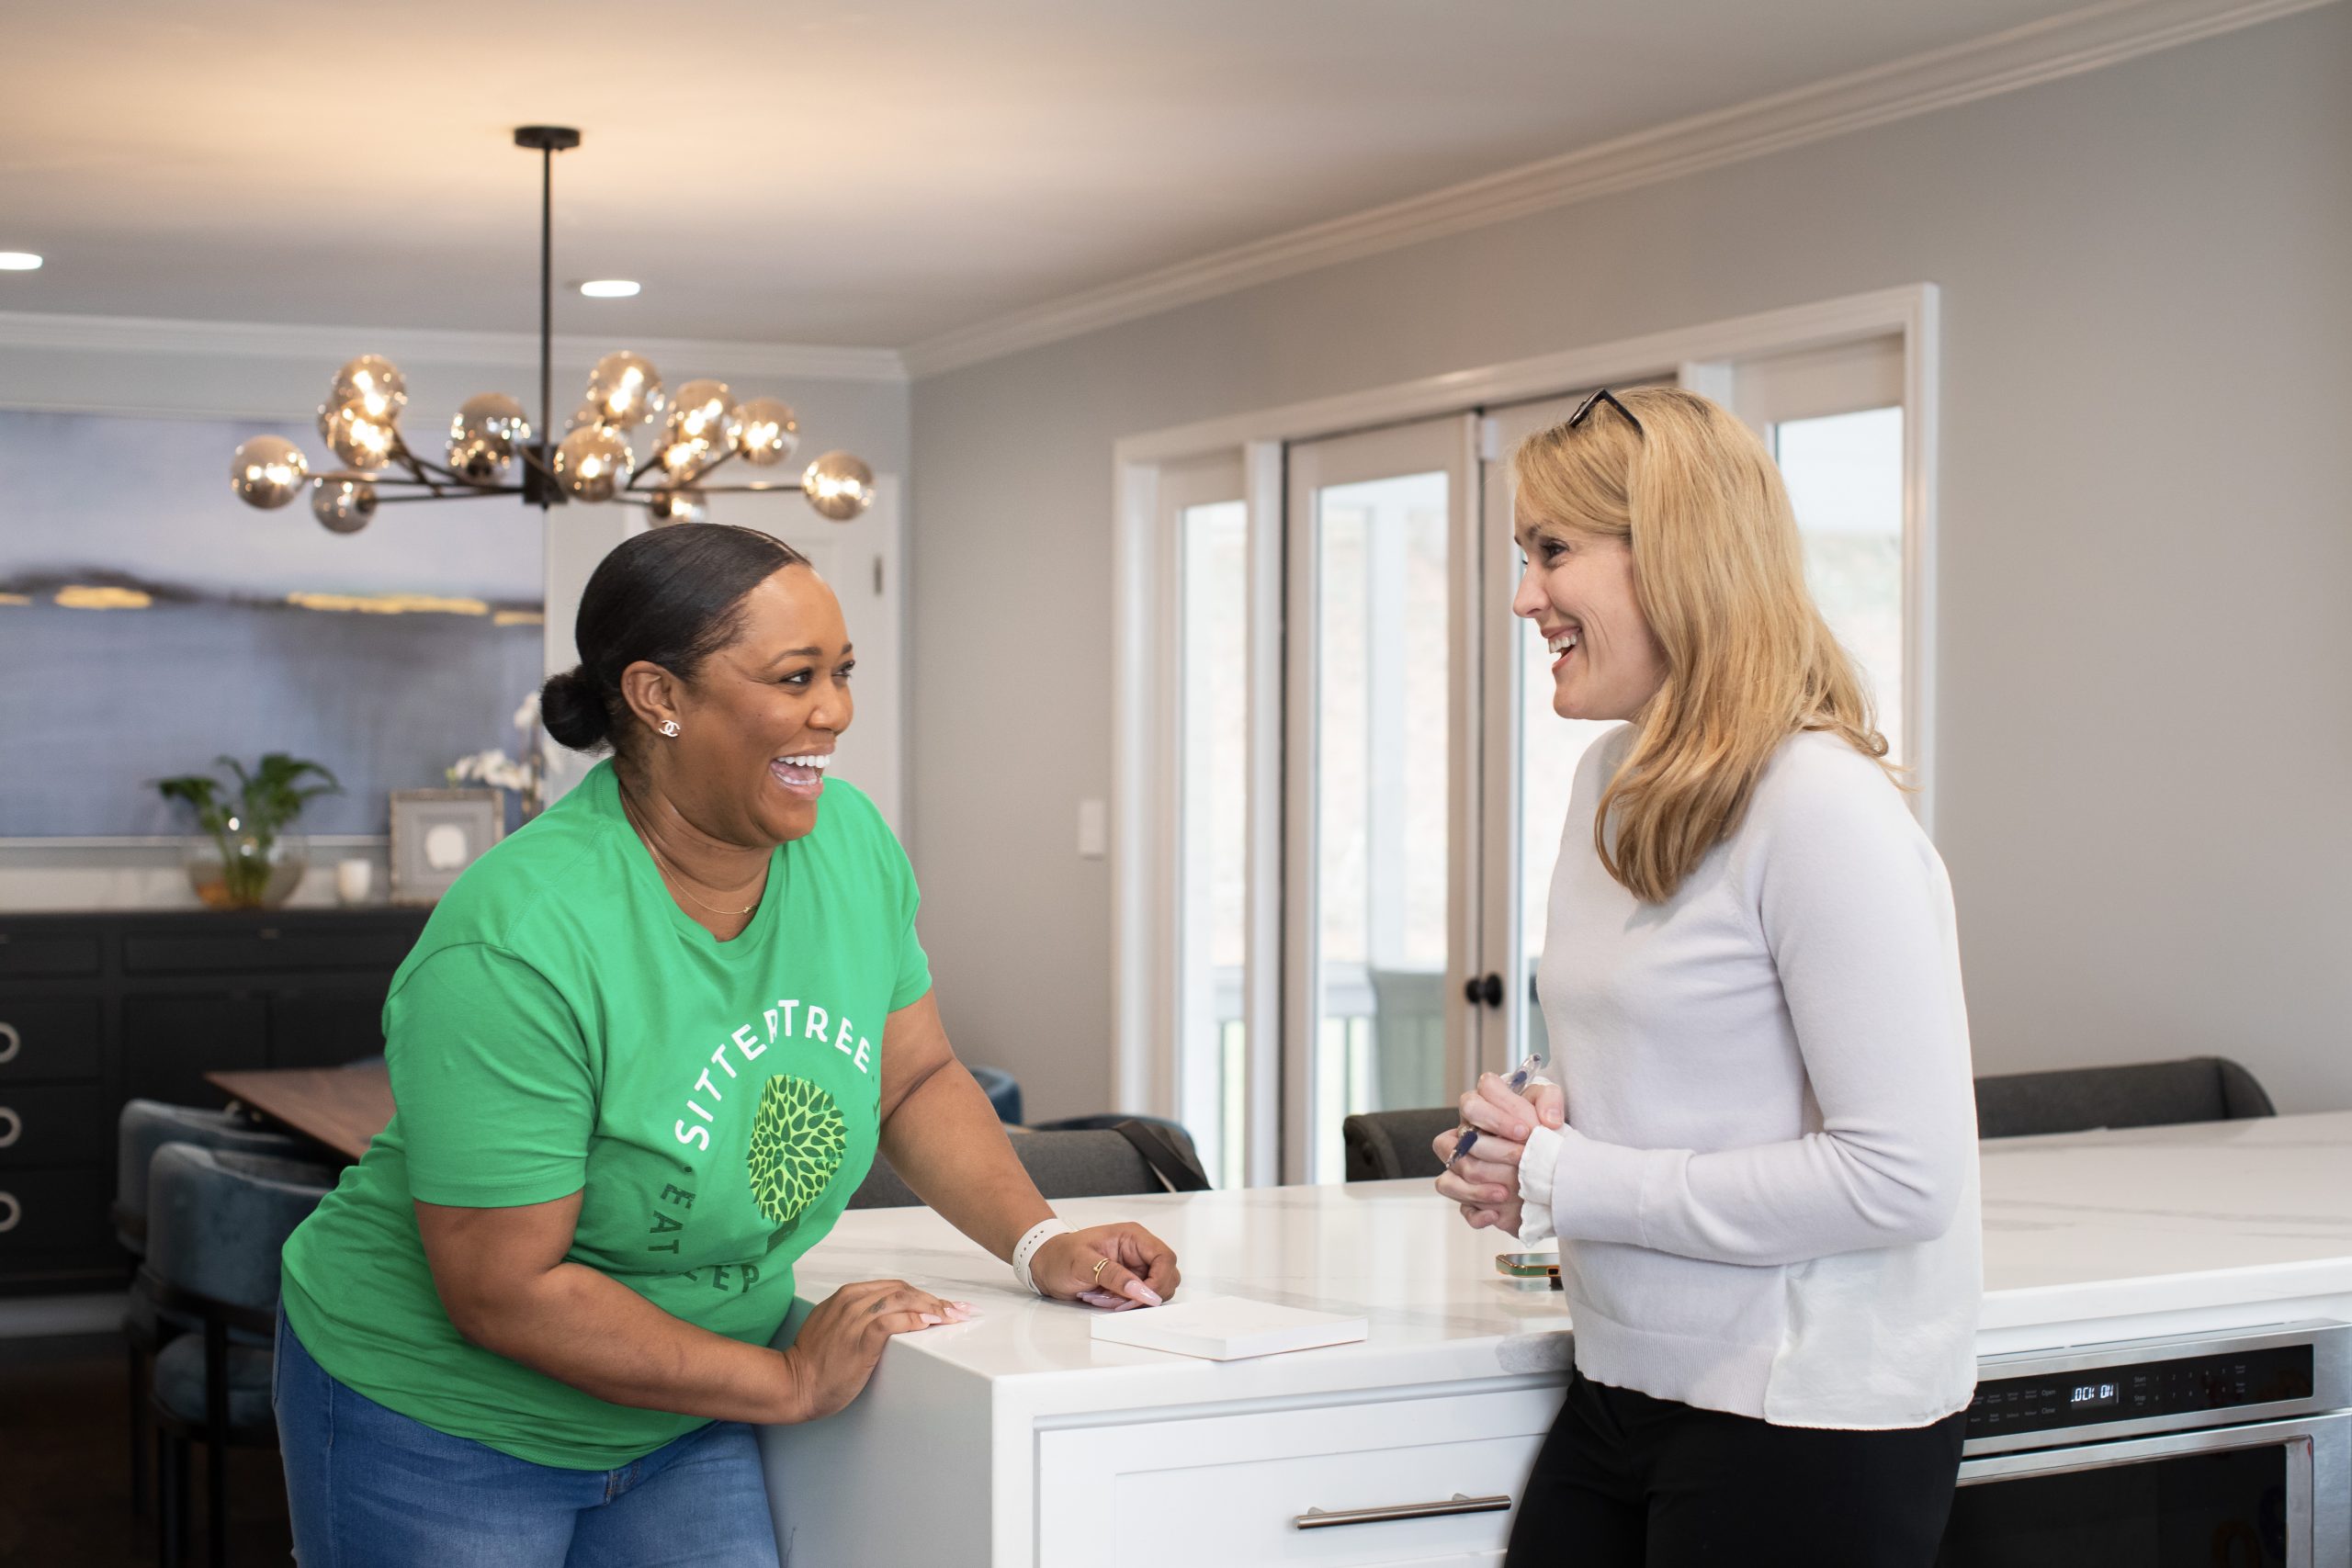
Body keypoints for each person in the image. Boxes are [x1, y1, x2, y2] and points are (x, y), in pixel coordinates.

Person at [276, 525, 1180, 1566]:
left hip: (682, 1401)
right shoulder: (518, 939)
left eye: (841, 673)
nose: (834, 712)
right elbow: (503, 1289)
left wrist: (1040, 1242)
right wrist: (786, 1384)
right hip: (443, 1421)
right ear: (659, 697)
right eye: (796, 677)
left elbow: (918, 1076)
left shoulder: (847, 843)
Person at [1436, 387, 1979, 1567]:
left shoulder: (1820, 806)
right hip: (1627, 1372)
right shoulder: (1605, 784)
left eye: (1552, 552)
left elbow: (1901, 1181)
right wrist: (1530, 1141)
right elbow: (1670, 1061)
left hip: (1806, 1409)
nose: (1525, 595)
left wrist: (1575, 1181)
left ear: (1675, 557)